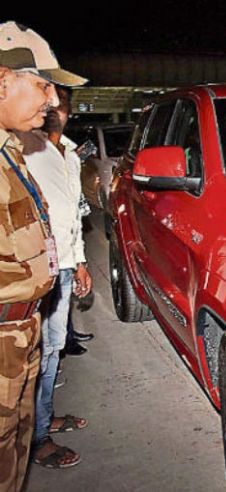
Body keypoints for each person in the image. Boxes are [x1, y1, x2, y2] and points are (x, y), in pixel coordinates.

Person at [0, 21, 85, 488]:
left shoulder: (11, 151)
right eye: (42, 84)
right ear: (2, 80)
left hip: (19, 335)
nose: (52, 100)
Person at [20, 84, 92, 470]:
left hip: (63, 266)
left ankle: (42, 423)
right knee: (30, 357)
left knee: (51, 352)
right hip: (32, 271)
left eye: (60, 106)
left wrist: (80, 261)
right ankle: (35, 438)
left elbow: (71, 213)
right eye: (48, 104)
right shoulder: (23, 149)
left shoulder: (69, 153)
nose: (53, 110)